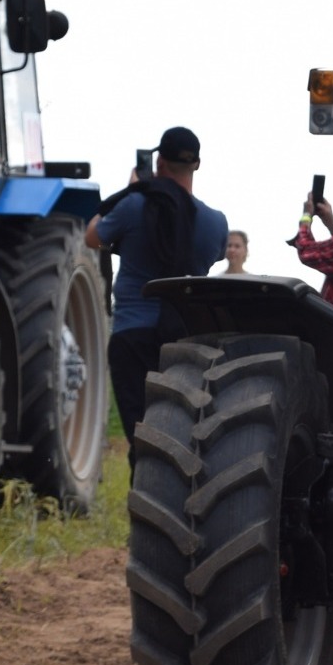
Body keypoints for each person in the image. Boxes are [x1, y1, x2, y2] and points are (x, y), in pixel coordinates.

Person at [85, 126, 228, 474]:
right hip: (183, 336)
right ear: (197, 164)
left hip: (132, 332)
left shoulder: (134, 205)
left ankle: (147, 499)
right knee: (179, 429)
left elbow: (92, 237)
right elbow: (214, 257)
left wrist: (133, 190)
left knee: (141, 432)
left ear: (159, 162)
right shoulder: (216, 222)